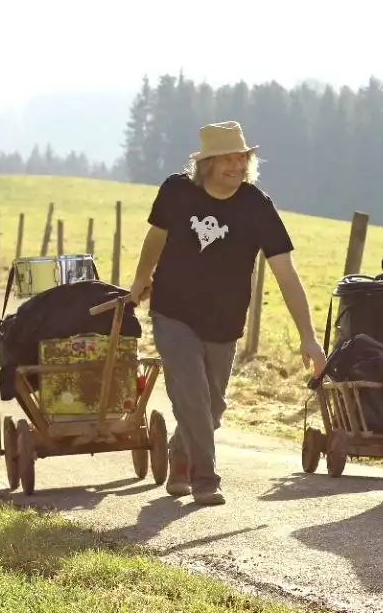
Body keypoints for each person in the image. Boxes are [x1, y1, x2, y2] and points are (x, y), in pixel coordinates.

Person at [129, 120, 326, 506]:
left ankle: (180, 454)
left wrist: (309, 336)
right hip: (173, 312)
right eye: (227, 159)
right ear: (207, 164)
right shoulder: (176, 191)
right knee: (192, 393)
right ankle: (205, 479)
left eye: (242, 158)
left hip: (225, 321)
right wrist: (141, 279)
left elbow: (285, 272)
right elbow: (156, 236)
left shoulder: (256, 206)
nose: (237, 166)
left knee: (213, 406)